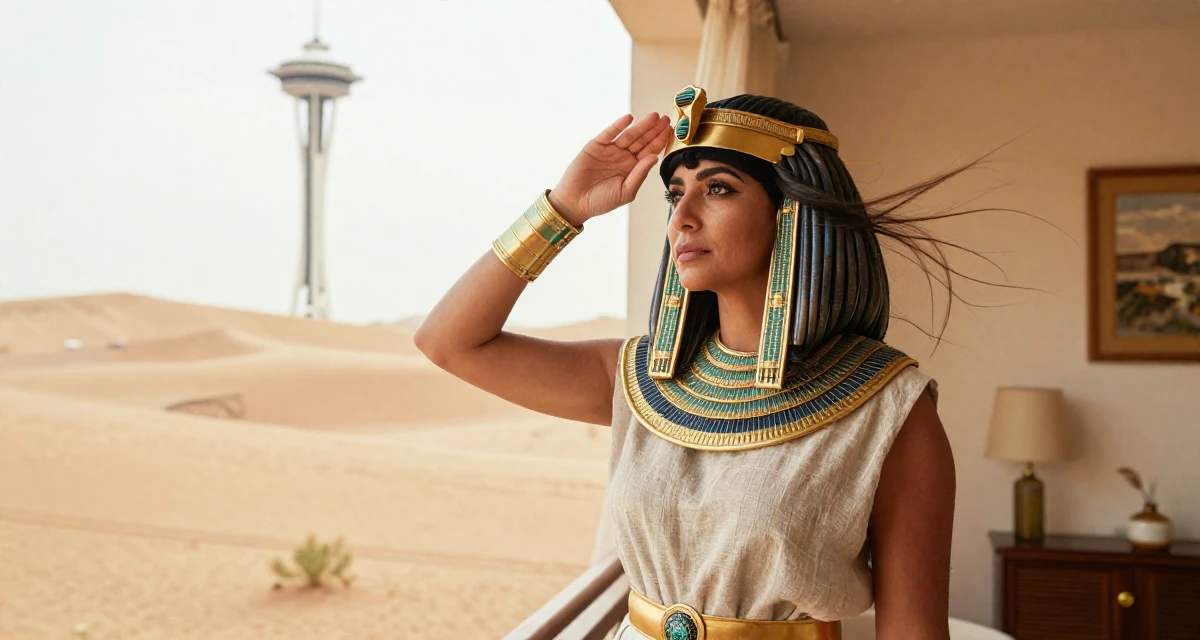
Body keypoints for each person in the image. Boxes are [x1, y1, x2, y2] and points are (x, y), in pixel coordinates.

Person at [415, 85, 956, 640]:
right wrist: (564, 208)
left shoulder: (888, 406)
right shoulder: (638, 379)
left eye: (718, 189)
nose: (682, 220)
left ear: (792, 212)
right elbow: (448, 342)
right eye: (675, 195)